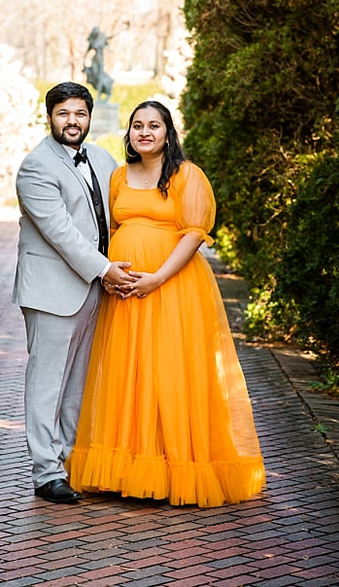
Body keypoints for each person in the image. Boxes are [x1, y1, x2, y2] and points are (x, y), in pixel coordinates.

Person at [67, 100, 266, 507]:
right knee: (129, 373)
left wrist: (156, 277)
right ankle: (128, 469)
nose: (145, 132)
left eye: (153, 126)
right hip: (124, 293)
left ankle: (174, 466)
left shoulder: (187, 175)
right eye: (137, 125)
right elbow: (113, 230)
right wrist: (112, 273)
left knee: (169, 371)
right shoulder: (119, 178)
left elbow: (194, 235)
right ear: (130, 134)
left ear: (168, 132)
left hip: (172, 288)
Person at [14, 82, 139, 504]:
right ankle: (45, 473)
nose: (73, 122)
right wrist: (107, 270)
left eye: (80, 114)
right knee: (47, 383)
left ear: (89, 116)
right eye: (64, 113)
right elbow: (61, 233)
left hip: (95, 289)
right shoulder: (35, 167)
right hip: (53, 289)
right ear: (49, 116)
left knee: (78, 385)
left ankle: (67, 462)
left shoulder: (102, 158)